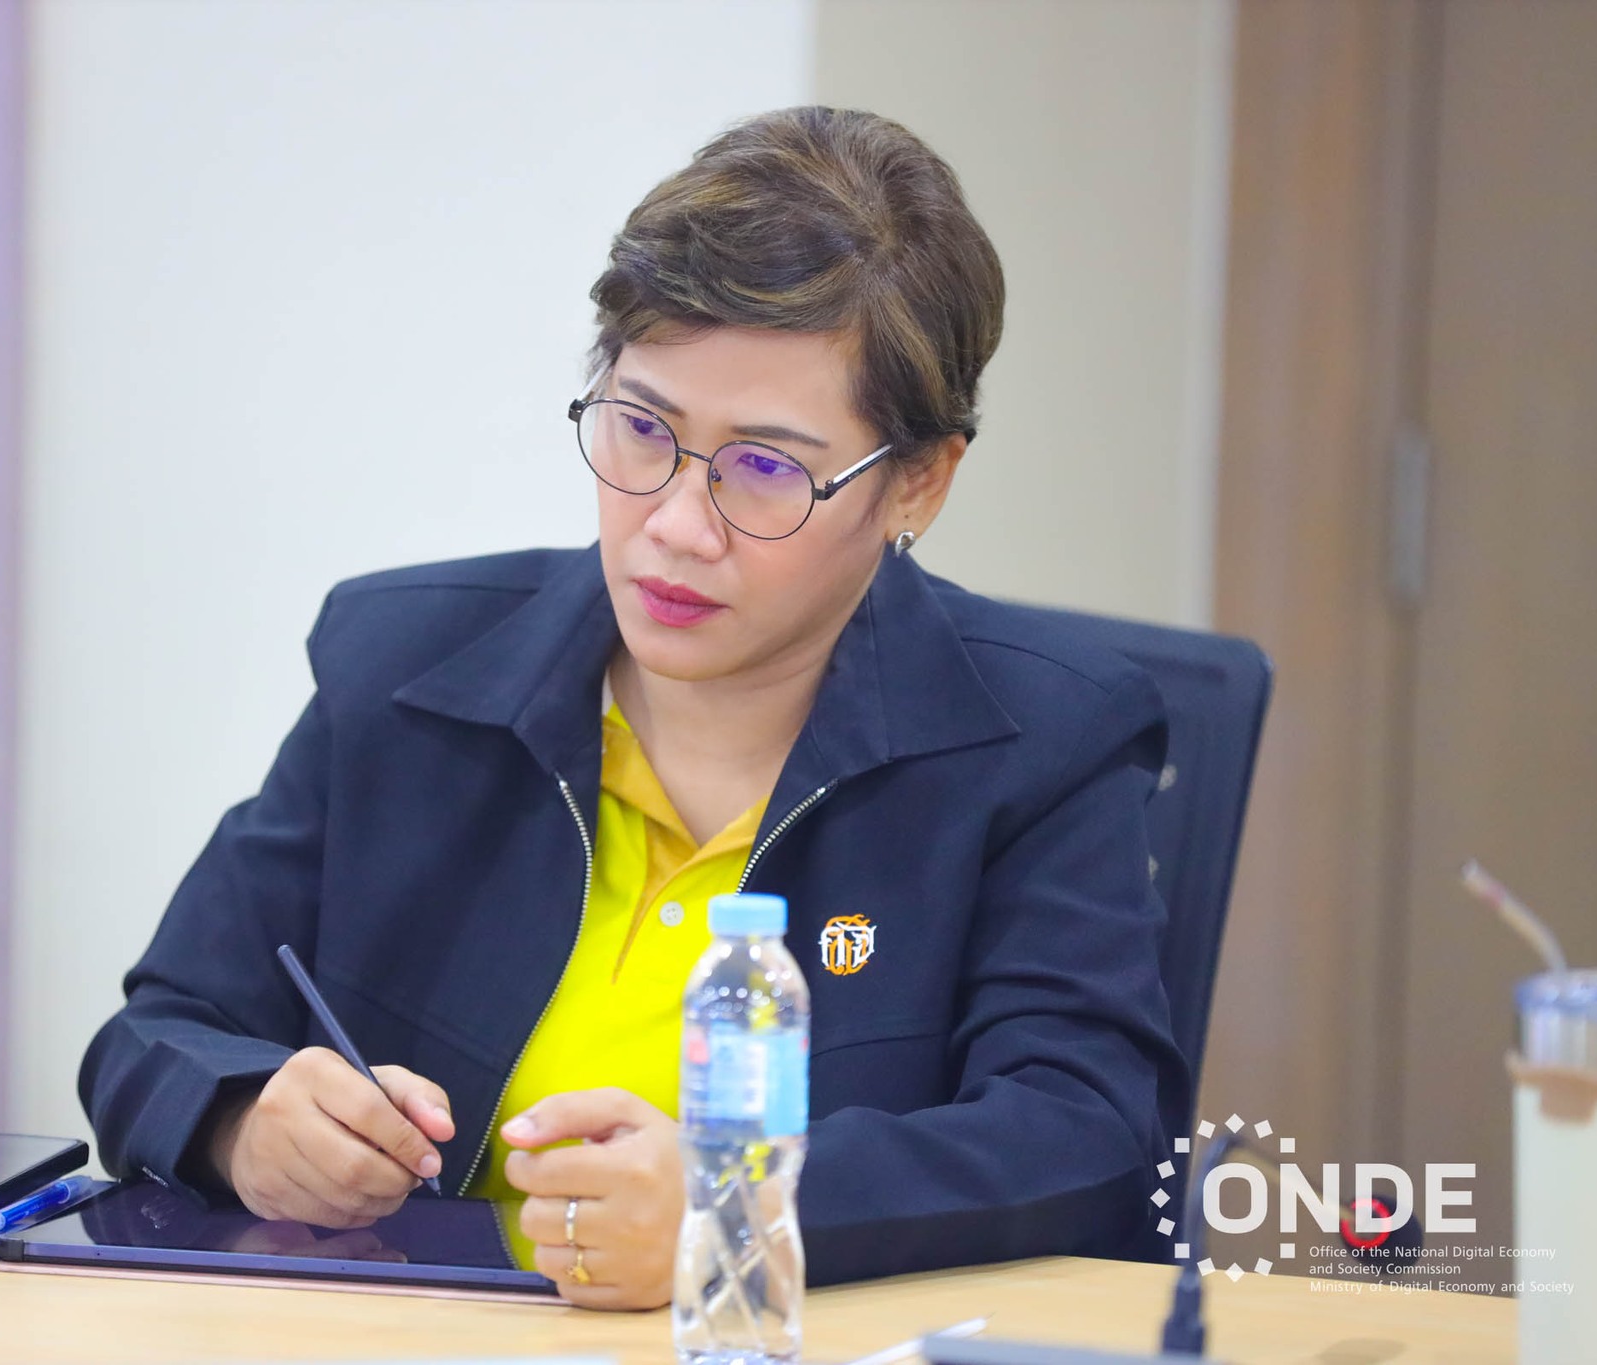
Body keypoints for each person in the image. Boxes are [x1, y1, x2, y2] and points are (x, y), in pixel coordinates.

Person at [80, 105, 1186, 1310]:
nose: (674, 524)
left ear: (916, 482)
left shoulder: (1040, 740)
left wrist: (742, 1203)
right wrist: (242, 1121)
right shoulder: (402, 668)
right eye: (642, 428)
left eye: (764, 468)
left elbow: (1085, 1133)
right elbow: (160, 1030)